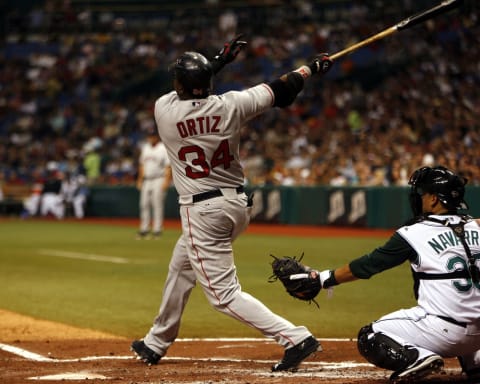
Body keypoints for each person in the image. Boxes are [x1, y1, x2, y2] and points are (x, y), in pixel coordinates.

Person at [130, 34, 332, 372]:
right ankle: (156, 341)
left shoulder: (163, 111)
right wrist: (311, 68)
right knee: (181, 267)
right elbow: (281, 88)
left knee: (223, 296)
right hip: (236, 205)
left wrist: (218, 61)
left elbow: (189, 90)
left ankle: (295, 338)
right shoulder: (232, 105)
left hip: (202, 210)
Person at [311, 165, 480, 382]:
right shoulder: (475, 228)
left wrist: (326, 278)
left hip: (445, 333)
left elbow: (370, 264)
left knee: (369, 335)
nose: (419, 198)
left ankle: (419, 357)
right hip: (477, 335)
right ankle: (475, 363)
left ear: (434, 200)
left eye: (423, 193)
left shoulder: (414, 233)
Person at [136, 129, 172, 239]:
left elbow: (168, 166)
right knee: (144, 204)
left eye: (152, 136)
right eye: (149, 136)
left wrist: (167, 180)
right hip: (147, 179)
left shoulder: (163, 148)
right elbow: (142, 165)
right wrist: (140, 179)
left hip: (159, 178)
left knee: (157, 204)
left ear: (157, 137)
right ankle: (144, 229)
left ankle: (157, 230)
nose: (150, 138)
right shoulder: (146, 147)